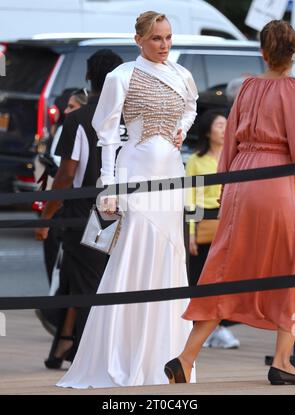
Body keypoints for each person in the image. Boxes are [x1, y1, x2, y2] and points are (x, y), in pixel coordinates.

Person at [57, 11, 198, 388]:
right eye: (156, 38)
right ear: (139, 40)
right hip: (133, 175)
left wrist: (182, 130)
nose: (164, 45)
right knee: (132, 258)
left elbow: (191, 107)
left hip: (170, 176)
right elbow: (106, 134)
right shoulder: (120, 77)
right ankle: (122, 354)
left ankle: (163, 357)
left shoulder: (182, 74)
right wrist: (109, 184)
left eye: (168, 37)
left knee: (169, 258)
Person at [164, 19, 295, 386]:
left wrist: (227, 186)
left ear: (263, 51)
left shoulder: (247, 87)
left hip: (240, 179)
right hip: (275, 181)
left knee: (225, 270)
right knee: (290, 267)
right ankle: (284, 360)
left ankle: (186, 358)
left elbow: (228, 149)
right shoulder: (294, 90)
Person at [35, 49, 123, 369]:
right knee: (82, 277)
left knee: (86, 282)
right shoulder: (126, 116)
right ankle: (62, 348)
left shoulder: (78, 119)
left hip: (82, 210)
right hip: (114, 209)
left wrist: (47, 215)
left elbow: (67, 173)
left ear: (89, 77)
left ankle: (89, 357)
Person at [35, 88, 89, 337]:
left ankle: (59, 321)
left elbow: (65, 174)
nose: (66, 112)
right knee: (60, 267)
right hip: (64, 207)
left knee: (67, 269)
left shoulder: (79, 126)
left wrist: (47, 216)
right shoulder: (66, 128)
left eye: (72, 107)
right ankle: (61, 325)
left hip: (71, 209)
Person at [186, 109, 240, 349]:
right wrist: (190, 232)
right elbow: (192, 197)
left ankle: (220, 327)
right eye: (220, 126)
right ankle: (205, 328)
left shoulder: (235, 157)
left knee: (227, 275)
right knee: (201, 277)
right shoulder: (196, 161)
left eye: (227, 125)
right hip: (204, 221)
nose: (224, 129)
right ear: (208, 132)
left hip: (229, 219)